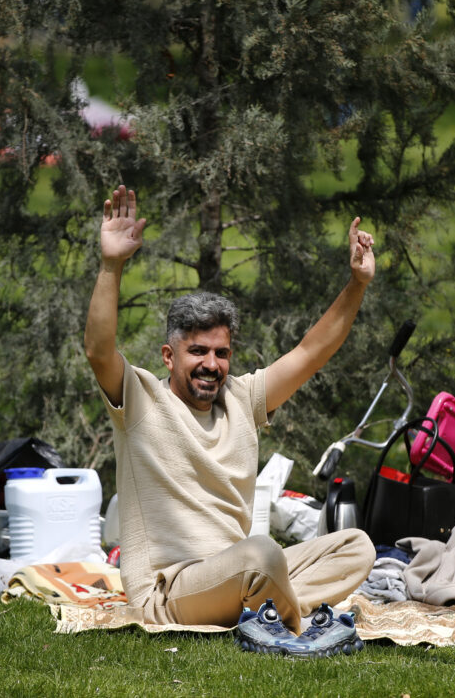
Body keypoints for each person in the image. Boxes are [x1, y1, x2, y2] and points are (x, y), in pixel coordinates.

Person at [83, 184, 377, 632]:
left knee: (356, 547)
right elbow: (98, 351)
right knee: (261, 554)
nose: (211, 364)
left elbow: (310, 352)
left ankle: (268, 607)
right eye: (197, 351)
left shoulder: (242, 398)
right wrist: (111, 265)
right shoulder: (141, 399)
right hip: (169, 593)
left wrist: (357, 284)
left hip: (238, 575)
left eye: (221, 353)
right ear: (169, 356)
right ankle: (295, 627)